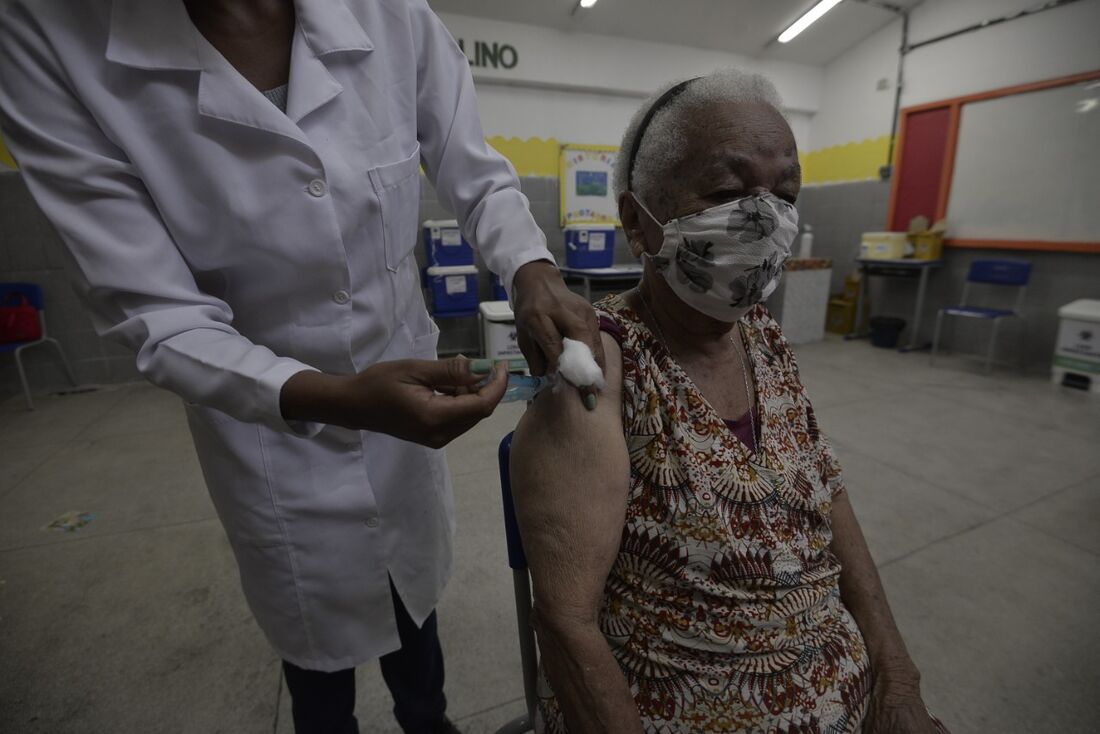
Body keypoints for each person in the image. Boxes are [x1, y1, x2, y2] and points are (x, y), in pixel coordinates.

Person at [0, 1, 604, 732]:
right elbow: (155, 309)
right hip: (266, 425)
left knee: (414, 608)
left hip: (397, 382)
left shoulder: (388, 15)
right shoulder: (44, 32)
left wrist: (531, 267)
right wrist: (331, 398)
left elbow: (471, 166)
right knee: (316, 652)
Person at [510, 70, 950, 733]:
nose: (764, 220)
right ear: (637, 221)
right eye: (725, 191)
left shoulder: (765, 342)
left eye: (786, 194)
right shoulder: (599, 373)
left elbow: (829, 501)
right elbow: (567, 627)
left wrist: (899, 679)